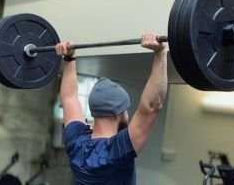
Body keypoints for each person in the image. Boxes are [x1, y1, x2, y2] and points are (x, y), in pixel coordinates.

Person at [55, 32, 168, 185]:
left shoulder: (76, 143)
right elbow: (152, 106)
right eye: (126, 110)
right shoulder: (118, 150)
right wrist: (161, 53)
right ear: (120, 113)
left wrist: (69, 58)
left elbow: (69, 98)